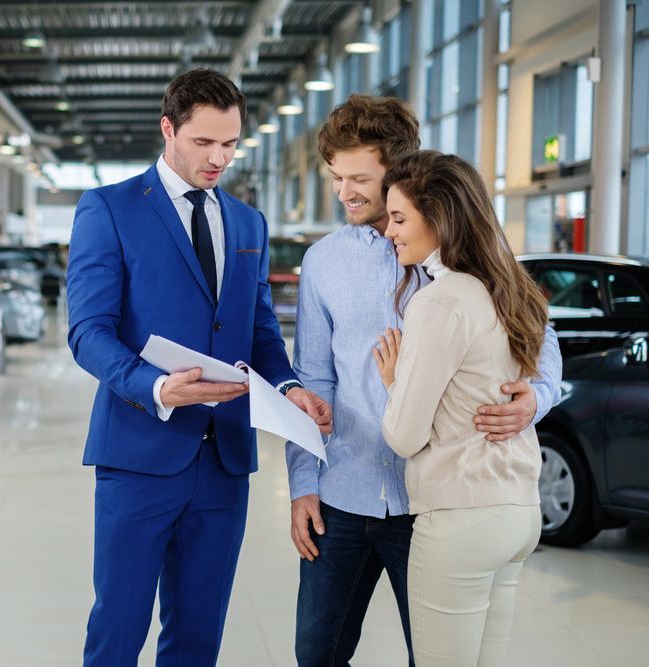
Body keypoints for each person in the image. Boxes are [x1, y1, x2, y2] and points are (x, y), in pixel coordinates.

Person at [67, 68, 332, 666]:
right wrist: (156, 386)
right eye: (204, 142)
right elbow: (88, 332)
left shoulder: (247, 223)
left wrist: (287, 386)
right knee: (119, 626)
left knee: (198, 633)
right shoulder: (108, 209)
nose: (219, 158)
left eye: (231, 144)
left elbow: (260, 332)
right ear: (168, 129)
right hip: (138, 453)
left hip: (223, 463)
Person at [287, 95, 562, 666]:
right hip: (343, 495)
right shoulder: (323, 262)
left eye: (360, 177)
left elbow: (539, 338)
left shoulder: (464, 253)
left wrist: (537, 397)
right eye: (337, 177)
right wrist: (301, 484)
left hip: (434, 505)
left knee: (437, 655)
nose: (346, 193)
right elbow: (313, 377)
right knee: (316, 654)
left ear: (401, 170)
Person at [374, 151, 546, 665]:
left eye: (400, 218)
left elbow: (404, 437)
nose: (389, 232)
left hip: (461, 518)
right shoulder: (509, 289)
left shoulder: (440, 302)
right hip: (517, 512)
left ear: (440, 217)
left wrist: (393, 380)